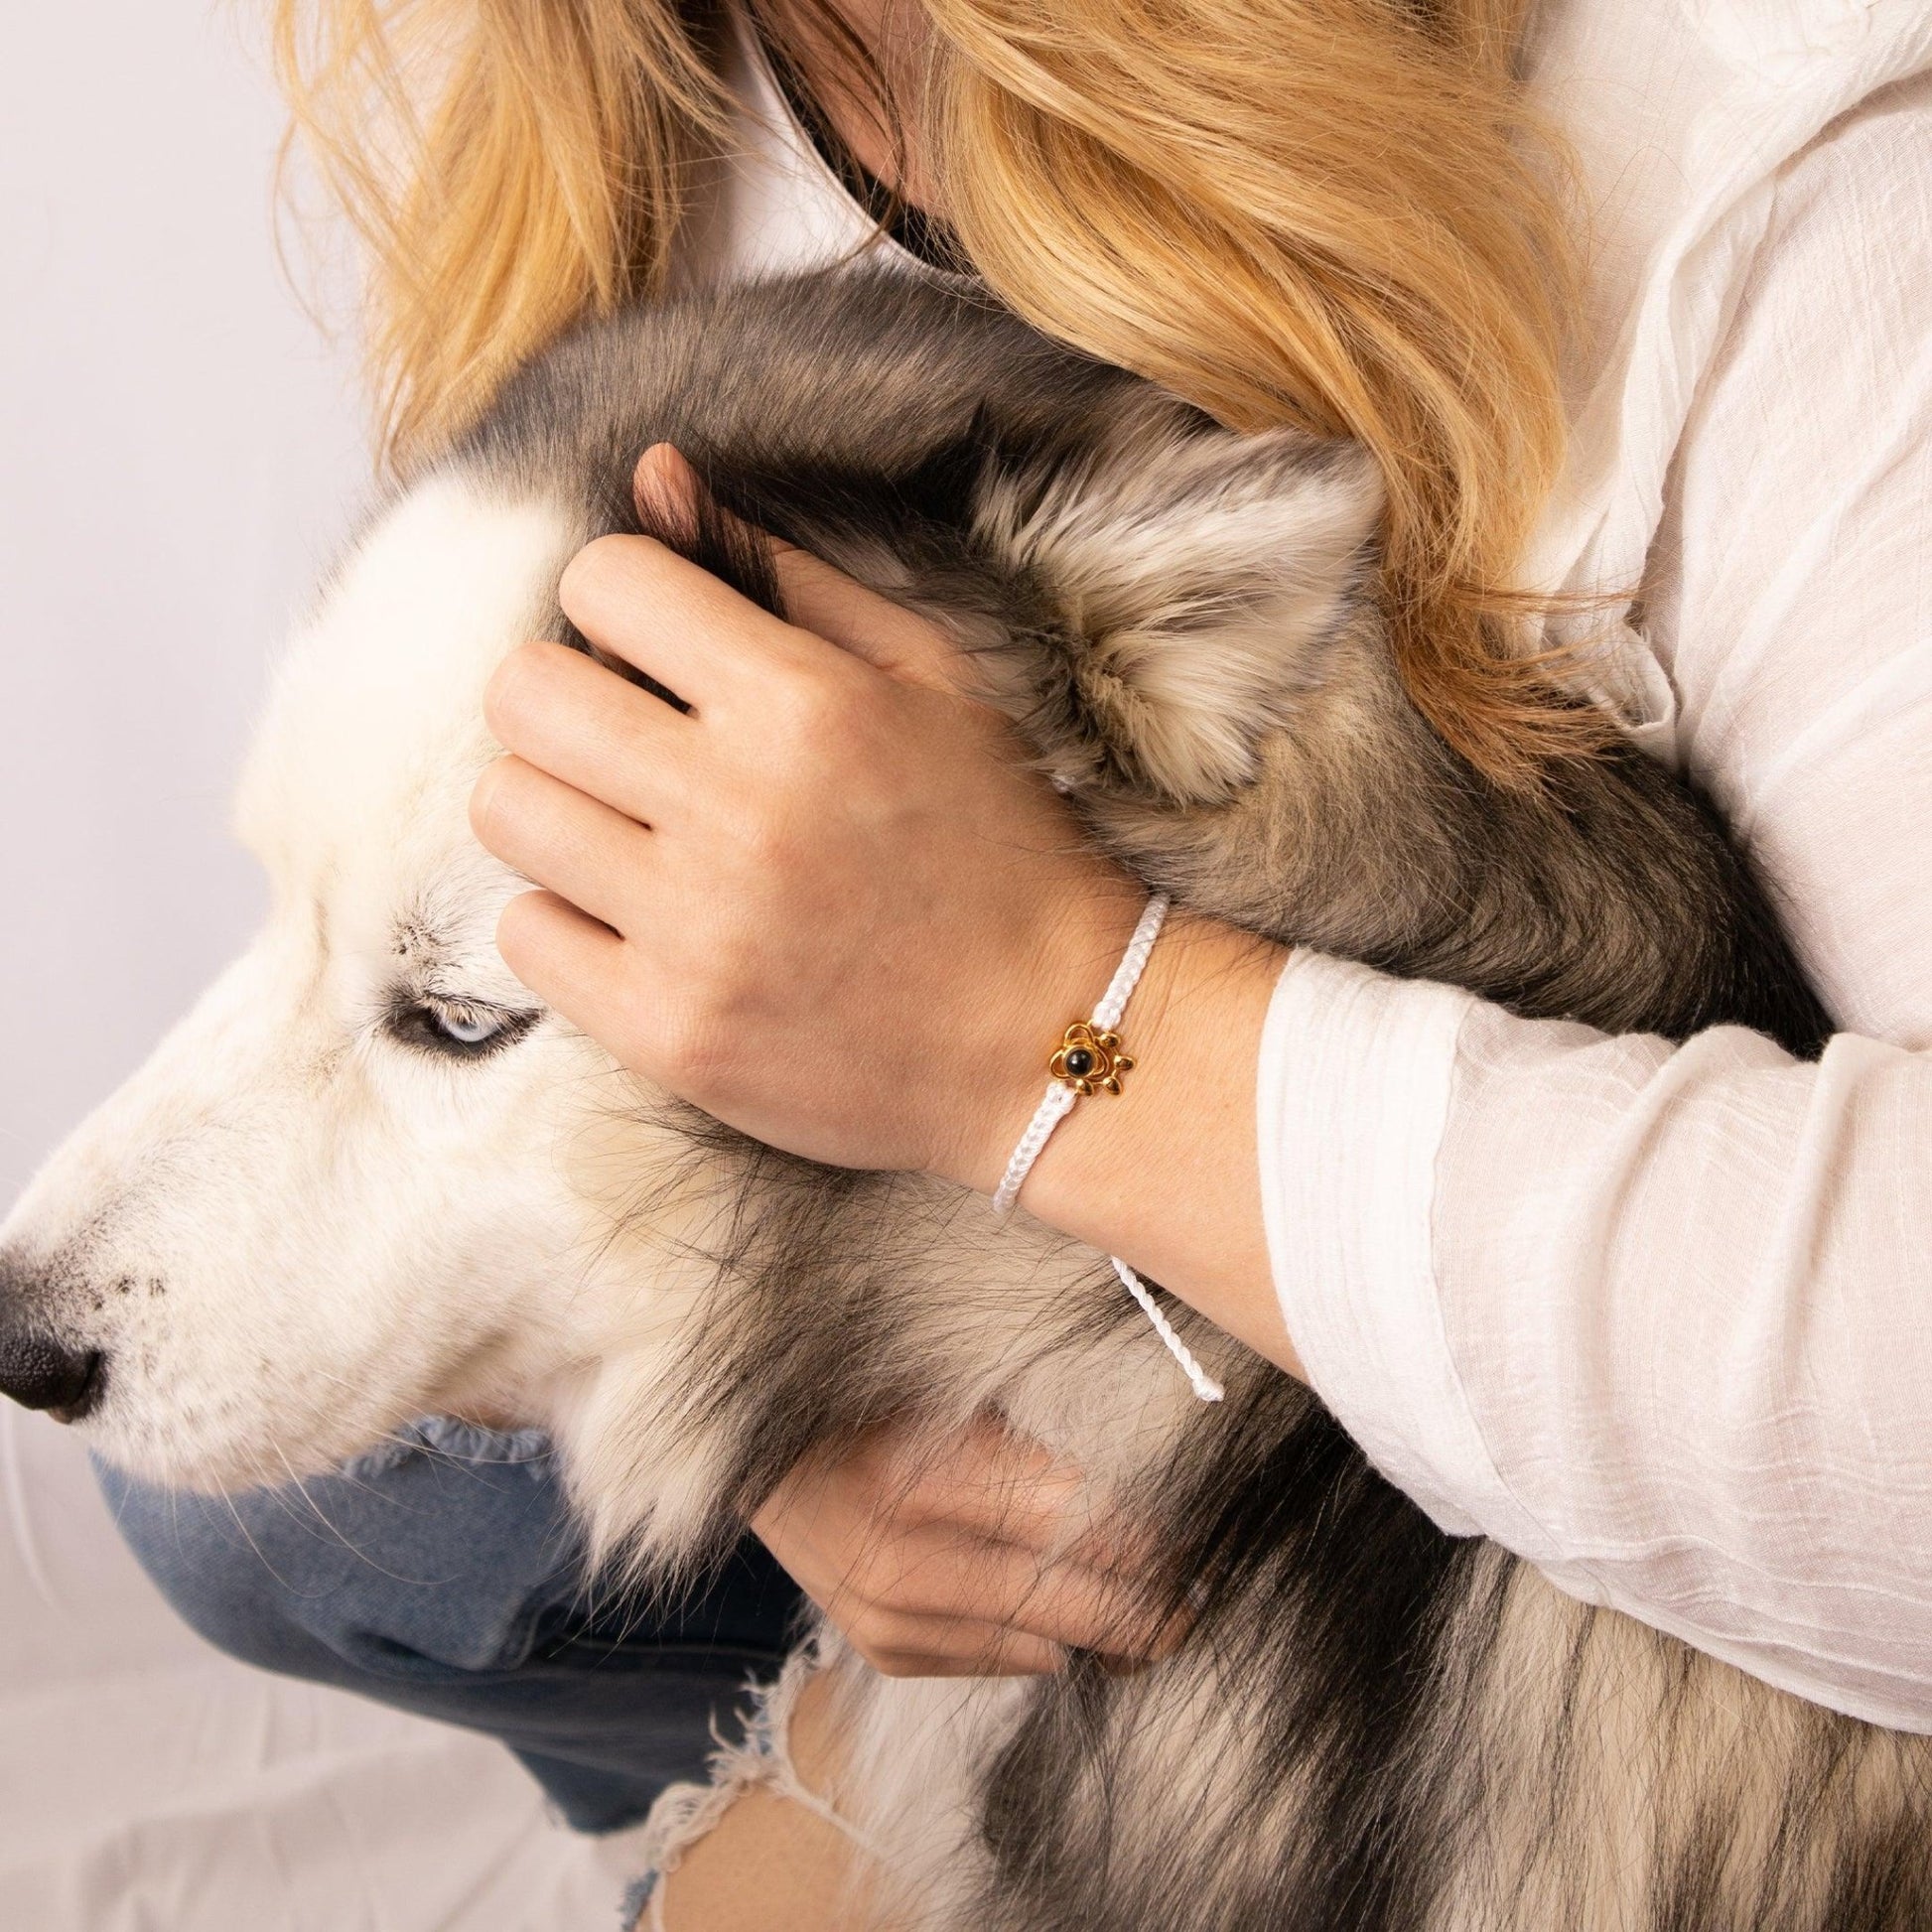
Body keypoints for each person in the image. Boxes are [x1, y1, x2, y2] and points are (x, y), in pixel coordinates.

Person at [111, 0, 1932, 1920]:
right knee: (264, 1505)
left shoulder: (1774, 176)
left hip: (1648, 1508)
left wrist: (1057, 1030)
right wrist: (785, 1405)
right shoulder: (640, 104)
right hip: (1106, 1355)